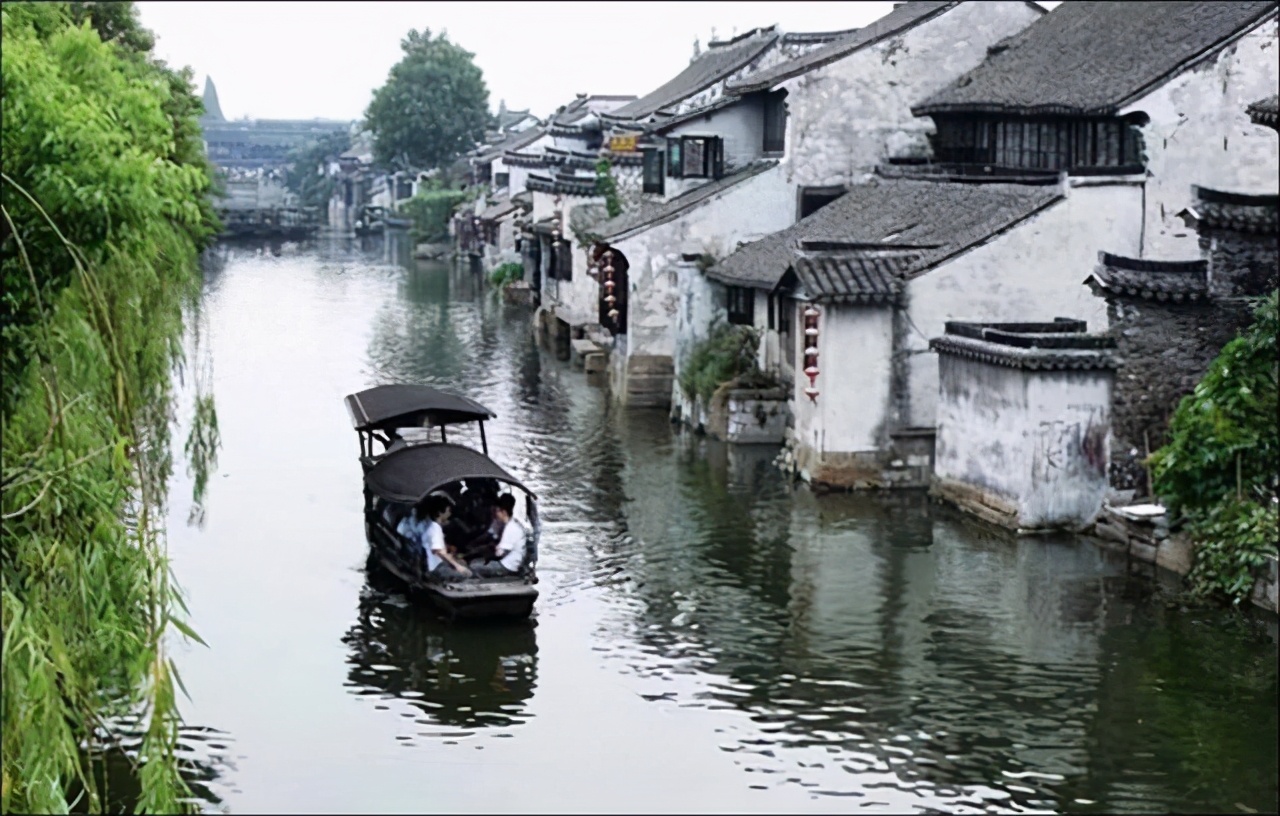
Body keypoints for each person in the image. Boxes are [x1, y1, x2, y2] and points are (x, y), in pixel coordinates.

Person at [397, 493, 472, 581]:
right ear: (440, 512)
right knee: (469, 574)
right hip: (437, 568)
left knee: (463, 563)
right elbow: (439, 552)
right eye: (448, 510)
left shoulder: (429, 525)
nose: (450, 513)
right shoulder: (434, 528)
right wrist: (458, 567)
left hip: (435, 565)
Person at [469, 494, 527, 578]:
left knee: (474, 566)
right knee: (476, 561)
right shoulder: (511, 524)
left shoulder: (511, 528)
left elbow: (501, 553)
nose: (496, 514)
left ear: (504, 512)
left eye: (497, 511)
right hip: (507, 562)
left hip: (507, 566)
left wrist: (493, 550)